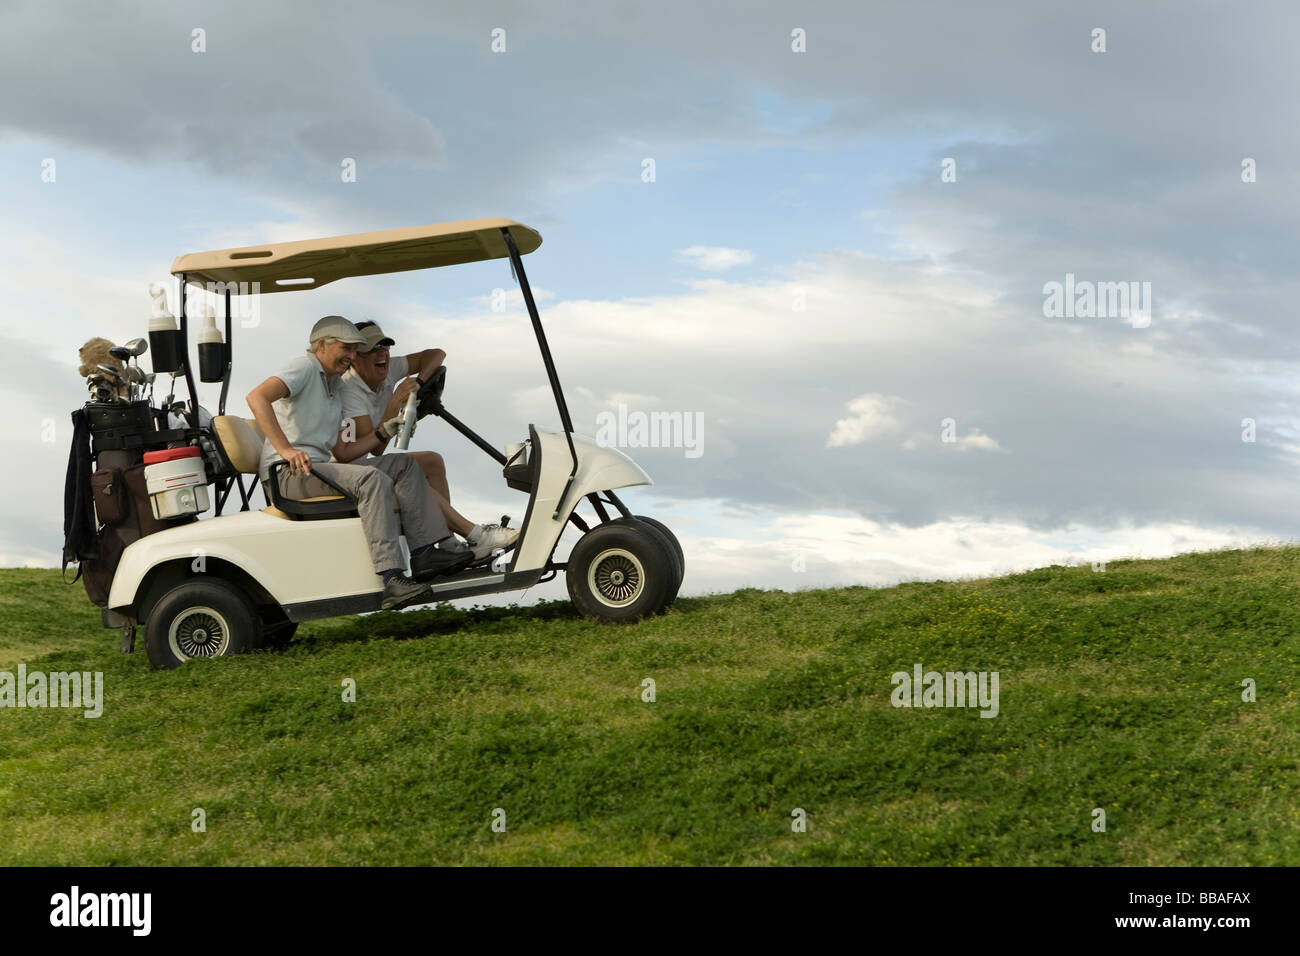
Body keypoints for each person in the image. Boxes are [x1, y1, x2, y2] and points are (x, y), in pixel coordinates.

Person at [246, 315, 472, 611]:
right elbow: (257, 397)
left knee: (403, 465)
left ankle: (425, 554)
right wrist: (286, 450)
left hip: (316, 469)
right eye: (346, 348)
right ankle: (392, 578)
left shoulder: (334, 385)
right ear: (321, 345)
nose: (351, 356)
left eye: (355, 350)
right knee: (371, 479)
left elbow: (344, 451)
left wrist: (384, 430)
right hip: (289, 475)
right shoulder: (304, 367)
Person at [334, 321, 519, 561]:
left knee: (432, 461)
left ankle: (448, 544)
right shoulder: (349, 391)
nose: (382, 354)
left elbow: (436, 355)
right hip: (344, 473)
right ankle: (475, 534)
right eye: (372, 348)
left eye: (385, 346)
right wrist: (395, 402)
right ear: (355, 358)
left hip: (363, 464)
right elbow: (377, 447)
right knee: (409, 472)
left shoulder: (386, 369)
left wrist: (418, 383)